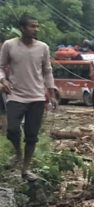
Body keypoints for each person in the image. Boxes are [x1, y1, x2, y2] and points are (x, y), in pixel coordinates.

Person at [0, 15, 57, 181]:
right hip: (15, 95)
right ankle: (18, 153)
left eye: (37, 26)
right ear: (23, 28)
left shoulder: (43, 47)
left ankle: (25, 169)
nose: (36, 29)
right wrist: (3, 80)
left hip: (37, 97)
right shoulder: (9, 45)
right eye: (32, 26)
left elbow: (47, 71)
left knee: (32, 135)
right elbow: (1, 67)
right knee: (12, 130)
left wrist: (51, 94)